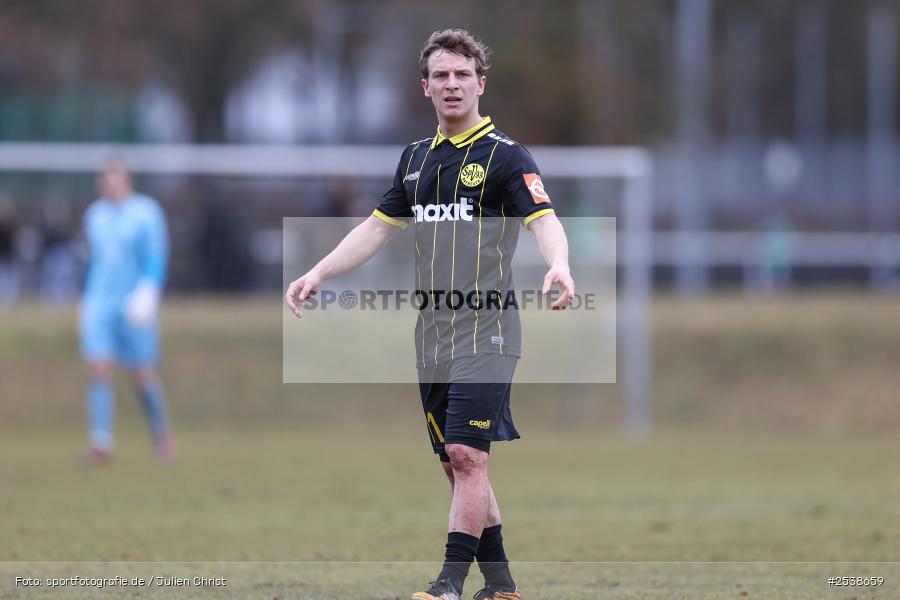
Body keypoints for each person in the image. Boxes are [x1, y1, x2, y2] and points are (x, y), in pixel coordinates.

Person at [285, 29, 574, 600]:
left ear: (480, 84)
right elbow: (375, 229)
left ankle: (448, 585)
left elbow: (544, 220)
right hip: (433, 336)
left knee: (467, 455)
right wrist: (317, 272)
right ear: (425, 87)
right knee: (456, 463)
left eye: (463, 74)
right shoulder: (415, 160)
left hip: (488, 329)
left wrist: (560, 265)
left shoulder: (506, 157)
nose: (452, 84)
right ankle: (501, 585)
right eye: (441, 75)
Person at [80, 158, 175, 464]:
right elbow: (92, 260)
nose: (107, 183)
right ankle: (101, 442)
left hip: (134, 305)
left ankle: (162, 435)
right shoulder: (94, 215)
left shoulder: (146, 213)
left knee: (141, 374)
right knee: (98, 368)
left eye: (113, 177)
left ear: (127, 179)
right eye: (104, 177)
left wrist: (148, 291)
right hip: (99, 303)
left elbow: (156, 256)